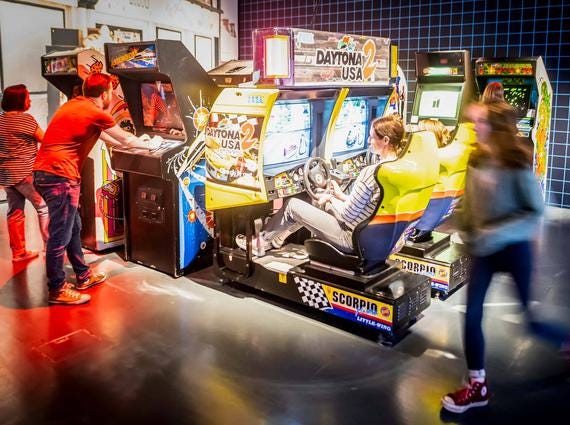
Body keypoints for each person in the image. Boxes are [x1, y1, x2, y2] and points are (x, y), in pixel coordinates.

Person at [441, 102, 568, 413]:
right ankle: (477, 385)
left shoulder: (516, 163)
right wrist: (452, 221)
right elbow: (470, 206)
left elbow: (534, 212)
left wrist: (495, 231)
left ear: (495, 126)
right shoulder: (476, 158)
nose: (474, 125)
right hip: (483, 251)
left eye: (480, 121)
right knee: (471, 315)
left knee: (531, 321)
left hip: (513, 250)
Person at [33, 72, 157, 305]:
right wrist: (152, 145)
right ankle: (57, 289)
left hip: (46, 173)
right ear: (106, 93)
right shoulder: (94, 111)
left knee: (73, 227)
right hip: (60, 177)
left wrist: (138, 144)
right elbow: (126, 140)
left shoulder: (75, 104)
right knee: (60, 235)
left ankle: (83, 275)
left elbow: (106, 137)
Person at [235, 114, 405, 255]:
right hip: (384, 241)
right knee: (314, 201)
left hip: (354, 239)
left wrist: (329, 199)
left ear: (385, 140)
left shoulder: (371, 173)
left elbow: (347, 215)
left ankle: (260, 243)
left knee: (293, 205)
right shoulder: (401, 168)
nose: (368, 141)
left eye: (372, 137)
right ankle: (279, 237)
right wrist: (339, 196)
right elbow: (368, 205)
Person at [0, 84, 49, 262]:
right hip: (25, 173)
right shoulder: (26, 120)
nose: (29, 100)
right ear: (19, 100)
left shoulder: (1, 121)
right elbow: (45, 139)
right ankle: (50, 249)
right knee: (43, 207)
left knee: (15, 212)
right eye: (27, 97)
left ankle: (19, 252)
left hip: (6, 174)